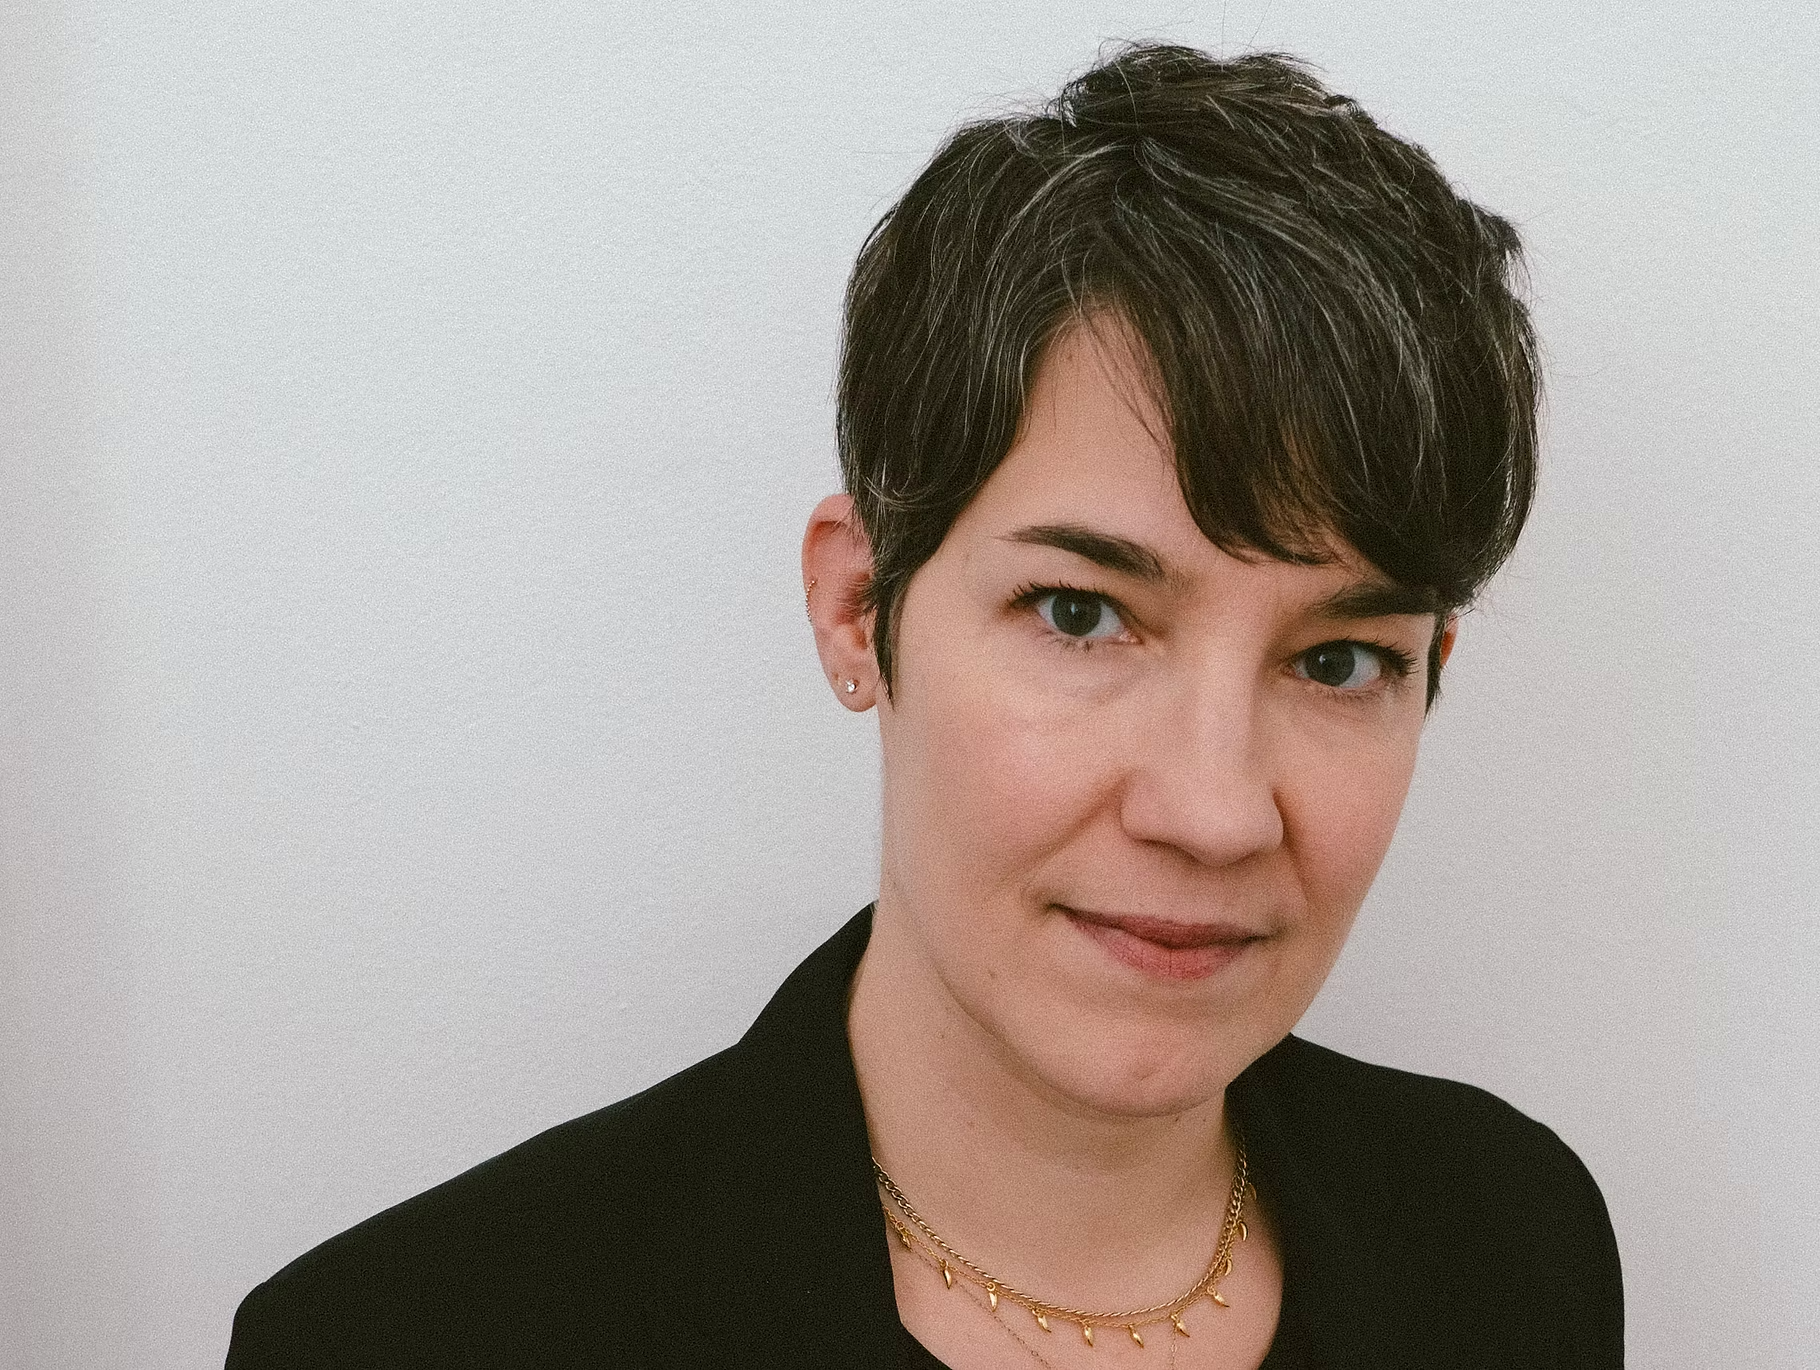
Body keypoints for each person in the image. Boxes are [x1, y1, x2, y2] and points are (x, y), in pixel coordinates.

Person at [225, 43, 1623, 1369]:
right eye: (1081, 613)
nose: (1210, 808)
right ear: (857, 611)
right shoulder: (406, 1336)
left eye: (1338, 660)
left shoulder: (1512, 1240)